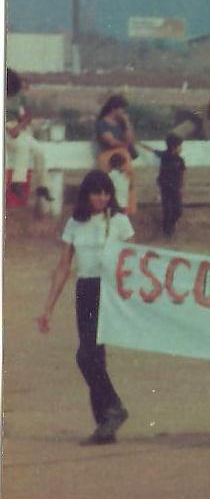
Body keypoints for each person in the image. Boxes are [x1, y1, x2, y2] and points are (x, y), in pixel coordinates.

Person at [37, 169, 135, 444]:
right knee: (94, 357)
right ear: (86, 194)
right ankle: (105, 425)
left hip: (110, 292)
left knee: (86, 356)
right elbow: (63, 267)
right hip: (85, 289)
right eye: (97, 193)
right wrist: (47, 309)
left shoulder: (119, 221)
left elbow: (135, 262)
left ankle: (114, 408)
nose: (102, 198)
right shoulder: (75, 223)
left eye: (106, 193)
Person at [94, 94, 141, 217]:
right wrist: (124, 144)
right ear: (114, 108)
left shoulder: (120, 123)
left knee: (125, 185)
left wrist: (126, 123)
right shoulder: (102, 123)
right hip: (108, 157)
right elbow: (111, 141)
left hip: (123, 158)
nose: (123, 112)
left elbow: (130, 139)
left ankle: (125, 213)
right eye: (121, 108)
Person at [6, 68, 33, 207]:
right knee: (23, 146)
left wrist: (19, 126)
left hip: (16, 127)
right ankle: (17, 182)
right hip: (5, 128)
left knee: (39, 152)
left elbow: (26, 116)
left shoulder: (19, 97)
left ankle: (43, 187)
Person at [156, 131, 187, 237]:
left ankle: (171, 225)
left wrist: (181, 186)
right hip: (165, 188)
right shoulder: (165, 156)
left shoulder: (180, 160)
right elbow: (158, 153)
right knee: (168, 210)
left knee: (178, 210)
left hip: (176, 188)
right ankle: (167, 230)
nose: (181, 148)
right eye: (180, 146)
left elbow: (182, 173)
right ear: (174, 147)